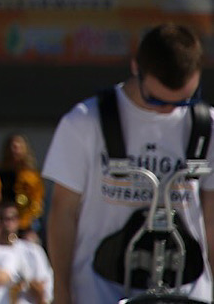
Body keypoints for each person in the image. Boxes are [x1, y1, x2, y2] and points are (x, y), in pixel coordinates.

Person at [44, 22, 214, 304]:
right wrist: (61, 292)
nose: (168, 110)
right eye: (156, 99)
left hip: (186, 291)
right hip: (100, 292)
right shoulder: (85, 122)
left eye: (182, 101)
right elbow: (63, 212)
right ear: (136, 67)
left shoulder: (207, 127)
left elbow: (211, 217)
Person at [0, 200, 51, 304]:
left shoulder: (32, 251)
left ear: (18, 220)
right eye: (3, 219)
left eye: (12, 218)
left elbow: (44, 291)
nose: (7, 223)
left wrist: (25, 282)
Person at [0, 134, 43, 235]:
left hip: (27, 220)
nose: (14, 151)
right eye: (12, 147)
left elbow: (37, 200)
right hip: (5, 219)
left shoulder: (32, 175)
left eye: (18, 147)